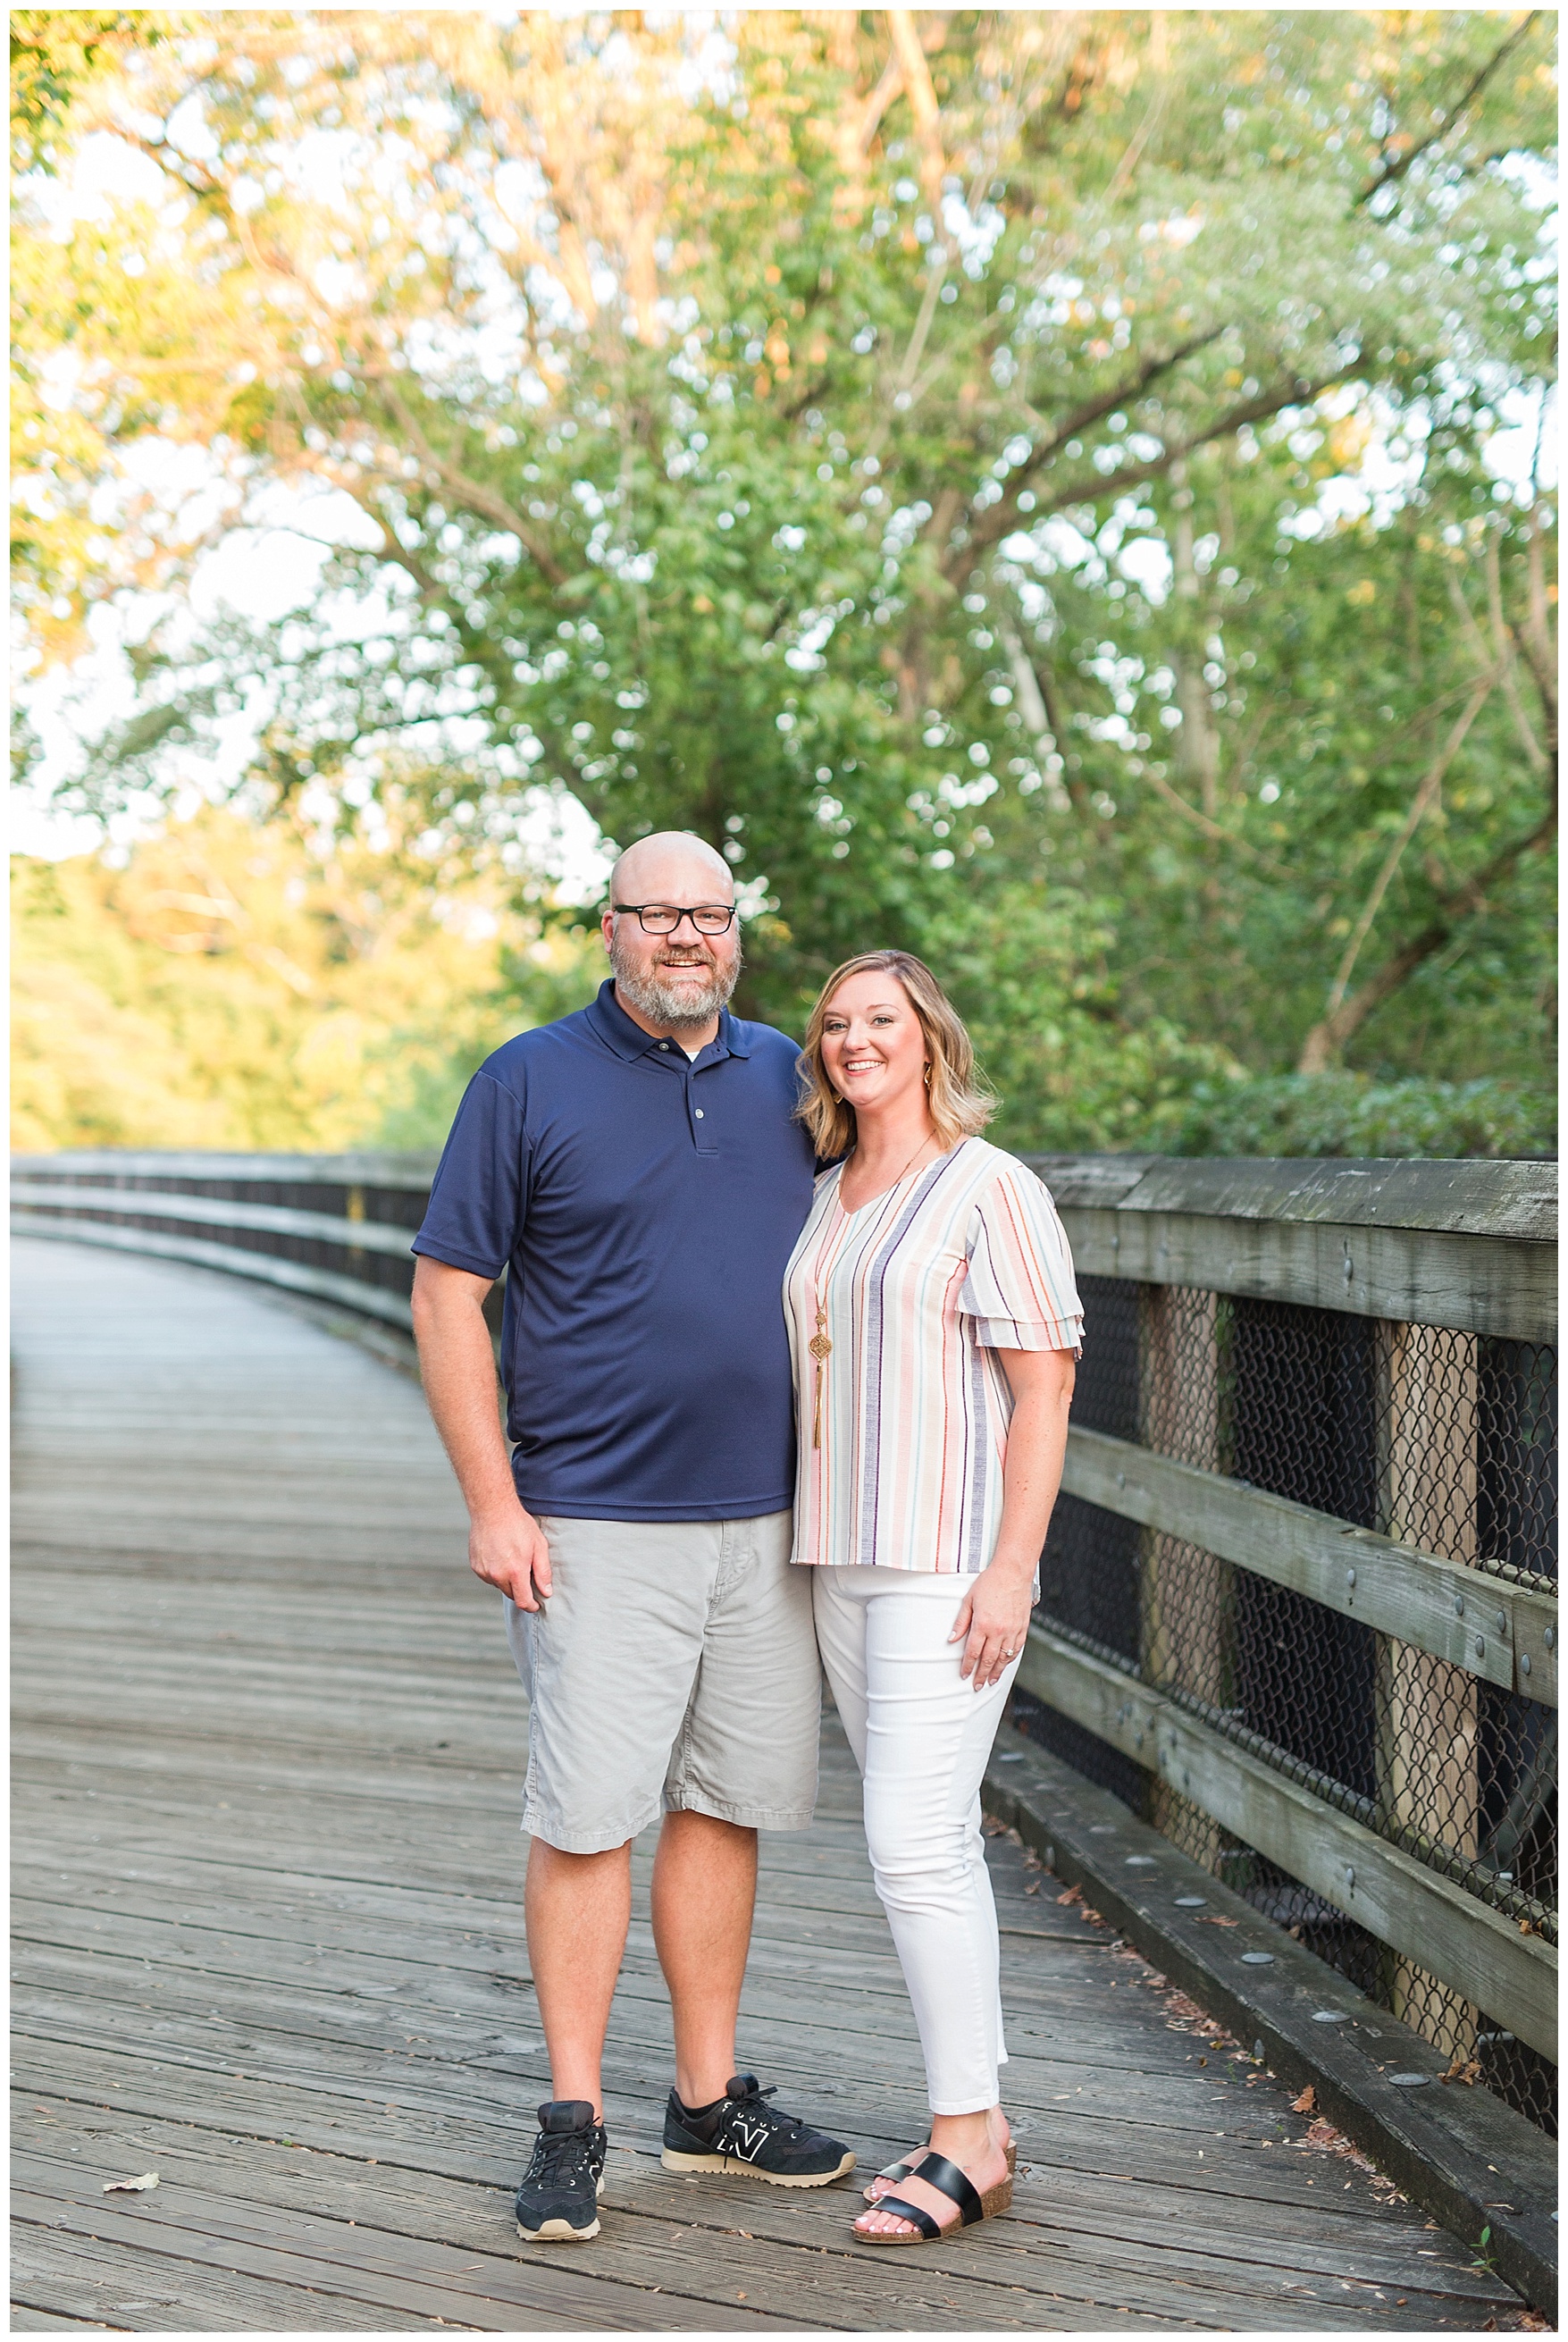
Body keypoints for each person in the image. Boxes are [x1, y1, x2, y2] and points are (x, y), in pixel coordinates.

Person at [409, 832, 852, 2245]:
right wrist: (494, 1499)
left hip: (773, 1521)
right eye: (657, 913)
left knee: (725, 1799)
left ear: (738, 935)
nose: (684, 938)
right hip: (593, 1516)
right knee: (589, 1811)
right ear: (609, 928)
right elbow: (444, 1293)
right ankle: (573, 2116)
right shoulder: (527, 1078)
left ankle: (707, 2097)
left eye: (709, 916)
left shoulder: (796, 1077)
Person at [784, 949, 1082, 2248]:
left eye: (881, 1019)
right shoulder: (825, 1195)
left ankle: (968, 2137)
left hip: (948, 1560)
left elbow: (1046, 1389)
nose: (857, 1039)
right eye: (837, 1023)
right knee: (933, 1838)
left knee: (909, 1841)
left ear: (929, 1037)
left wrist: (1011, 1565)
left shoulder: (990, 1187)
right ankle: (981, 2117)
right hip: (839, 1556)